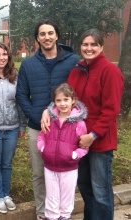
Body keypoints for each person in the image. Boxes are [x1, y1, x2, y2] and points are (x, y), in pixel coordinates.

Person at [16, 19, 79, 220]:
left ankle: (62, 212)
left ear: (57, 35)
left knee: (65, 173)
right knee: (39, 174)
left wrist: (54, 114)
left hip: (66, 128)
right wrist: (38, 116)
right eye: (42, 34)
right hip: (38, 128)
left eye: (50, 33)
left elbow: (77, 94)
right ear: (37, 38)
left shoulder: (72, 61)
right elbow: (21, 96)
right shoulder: (28, 64)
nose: (47, 37)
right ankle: (43, 213)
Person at [66, 29, 123, 220]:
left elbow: (111, 109)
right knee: (84, 186)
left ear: (101, 47)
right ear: (80, 46)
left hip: (99, 141)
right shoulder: (77, 71)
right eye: (85, 44)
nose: (88, 48)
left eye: (93, 45)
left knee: (100, 191)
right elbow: (67, 100)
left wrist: (93, 135)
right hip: (79, 140)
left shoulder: (110, 71)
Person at [0, 42, 26, 214]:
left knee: (7, 164)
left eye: (4, 54)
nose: (1, 58)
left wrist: (22, 124)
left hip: (12, 127)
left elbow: (21, 101)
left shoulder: (15, 76)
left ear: (8, 56)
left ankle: (6, 194)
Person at [37, 83, 88, 220]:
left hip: (69, 168)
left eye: (66, 100)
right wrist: (43, 148)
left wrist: (74, 154)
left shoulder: (79, 123)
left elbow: (84, 146)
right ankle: (51, 217)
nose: (62, 104)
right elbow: (41, 136)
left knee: (66, 197)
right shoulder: (50, 119)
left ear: (73, 100)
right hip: (50, 166)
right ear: (54, 102)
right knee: (52, 197)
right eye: (58, 100)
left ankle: (64, 217)